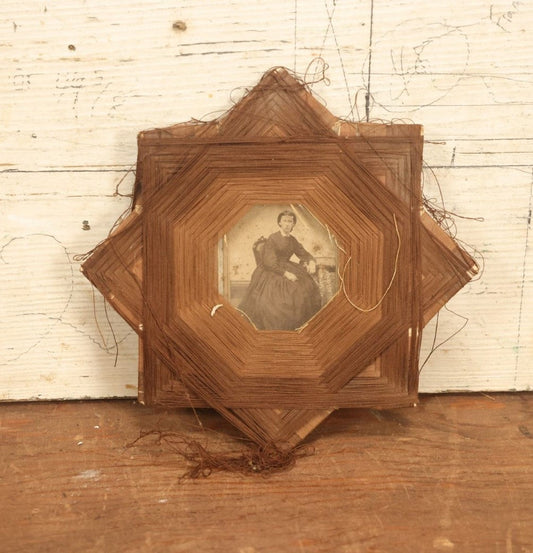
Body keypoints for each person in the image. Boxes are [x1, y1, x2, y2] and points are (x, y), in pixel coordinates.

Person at [239, 210, 322, 330]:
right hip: (271, 271)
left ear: (293, 224)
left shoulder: (292, 240)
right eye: (285, 221)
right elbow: (269, 263)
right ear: (279, 223)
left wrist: (311, 261)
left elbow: (303, 253)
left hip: (287, 265)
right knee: (283, 295)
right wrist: (286, 274)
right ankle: (284, 324)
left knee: (304, 286)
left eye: (290, 221)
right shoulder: (273, 238)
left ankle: (298, 323)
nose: (287, 224)